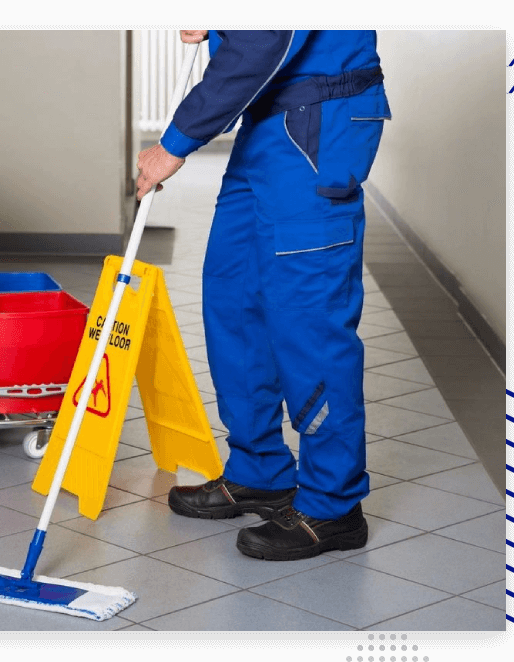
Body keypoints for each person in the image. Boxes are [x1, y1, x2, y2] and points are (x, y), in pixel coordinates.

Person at [136, 30, 391, 561]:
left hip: (318, 122)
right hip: (268, 121)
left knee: (307, 319)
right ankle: (261, 471)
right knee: (235, 300)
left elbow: (264, 39)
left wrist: (175, 142)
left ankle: (333, 504)